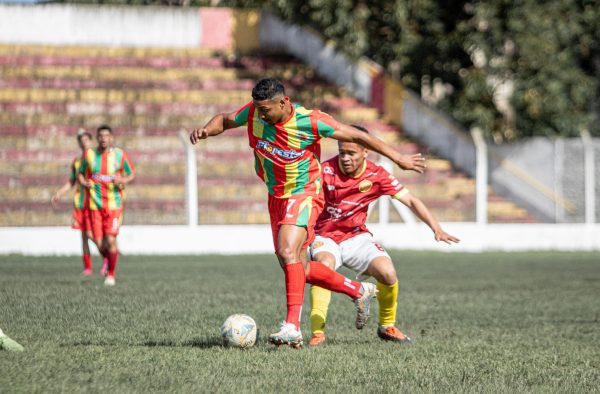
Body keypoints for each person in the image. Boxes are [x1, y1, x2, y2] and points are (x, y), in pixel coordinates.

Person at [189, 78, 426, 348]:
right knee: (294, 264)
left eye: (266, 110)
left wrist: (400, 159)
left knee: (289, 251)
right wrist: (207, 131)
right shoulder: (255, 112)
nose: (261, 115)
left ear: (283, 102)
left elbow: (358, 136)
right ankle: (358, 290)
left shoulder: (310, 121)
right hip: (276, 195)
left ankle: (292, 327)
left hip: (304, 192)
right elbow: (225, 119)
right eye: (258, 109)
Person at [307, 125, 460, 346]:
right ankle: (317, 334)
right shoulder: (325, 171)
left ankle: (387, 326)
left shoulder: (376, 174)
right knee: (324, 266)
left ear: (365, 151)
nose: (346, 158)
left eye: (351, 153)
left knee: (388, 272)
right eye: (342, 152)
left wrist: (436, 228)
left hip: (356, 237)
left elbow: (411, 200)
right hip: (325, 236)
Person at [78, 125, 136, 286]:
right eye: (101, 136)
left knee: (110, 240)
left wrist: (122, 180)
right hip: (95, 205)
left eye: (106, 136)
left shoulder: (119, 155)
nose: (103, 139)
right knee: (96, 240)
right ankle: (109, 259)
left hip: (114, 205)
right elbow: (81, 174)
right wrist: (85, 183)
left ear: (111, 138)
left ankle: (111, 274)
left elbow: (132, 174)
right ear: (97, 138)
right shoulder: (89, 155)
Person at [51, 129, 108, 276]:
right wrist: (59, 193)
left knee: (91, 235)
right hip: (80, 203)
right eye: (81, 142)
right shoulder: (77, 161)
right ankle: (88, 267)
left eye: (86, 141)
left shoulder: (97, 158)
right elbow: (72, 181)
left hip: (93, 202)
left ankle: (107, 257)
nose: (84, 144)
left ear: (90, 141)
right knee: (83, 236)